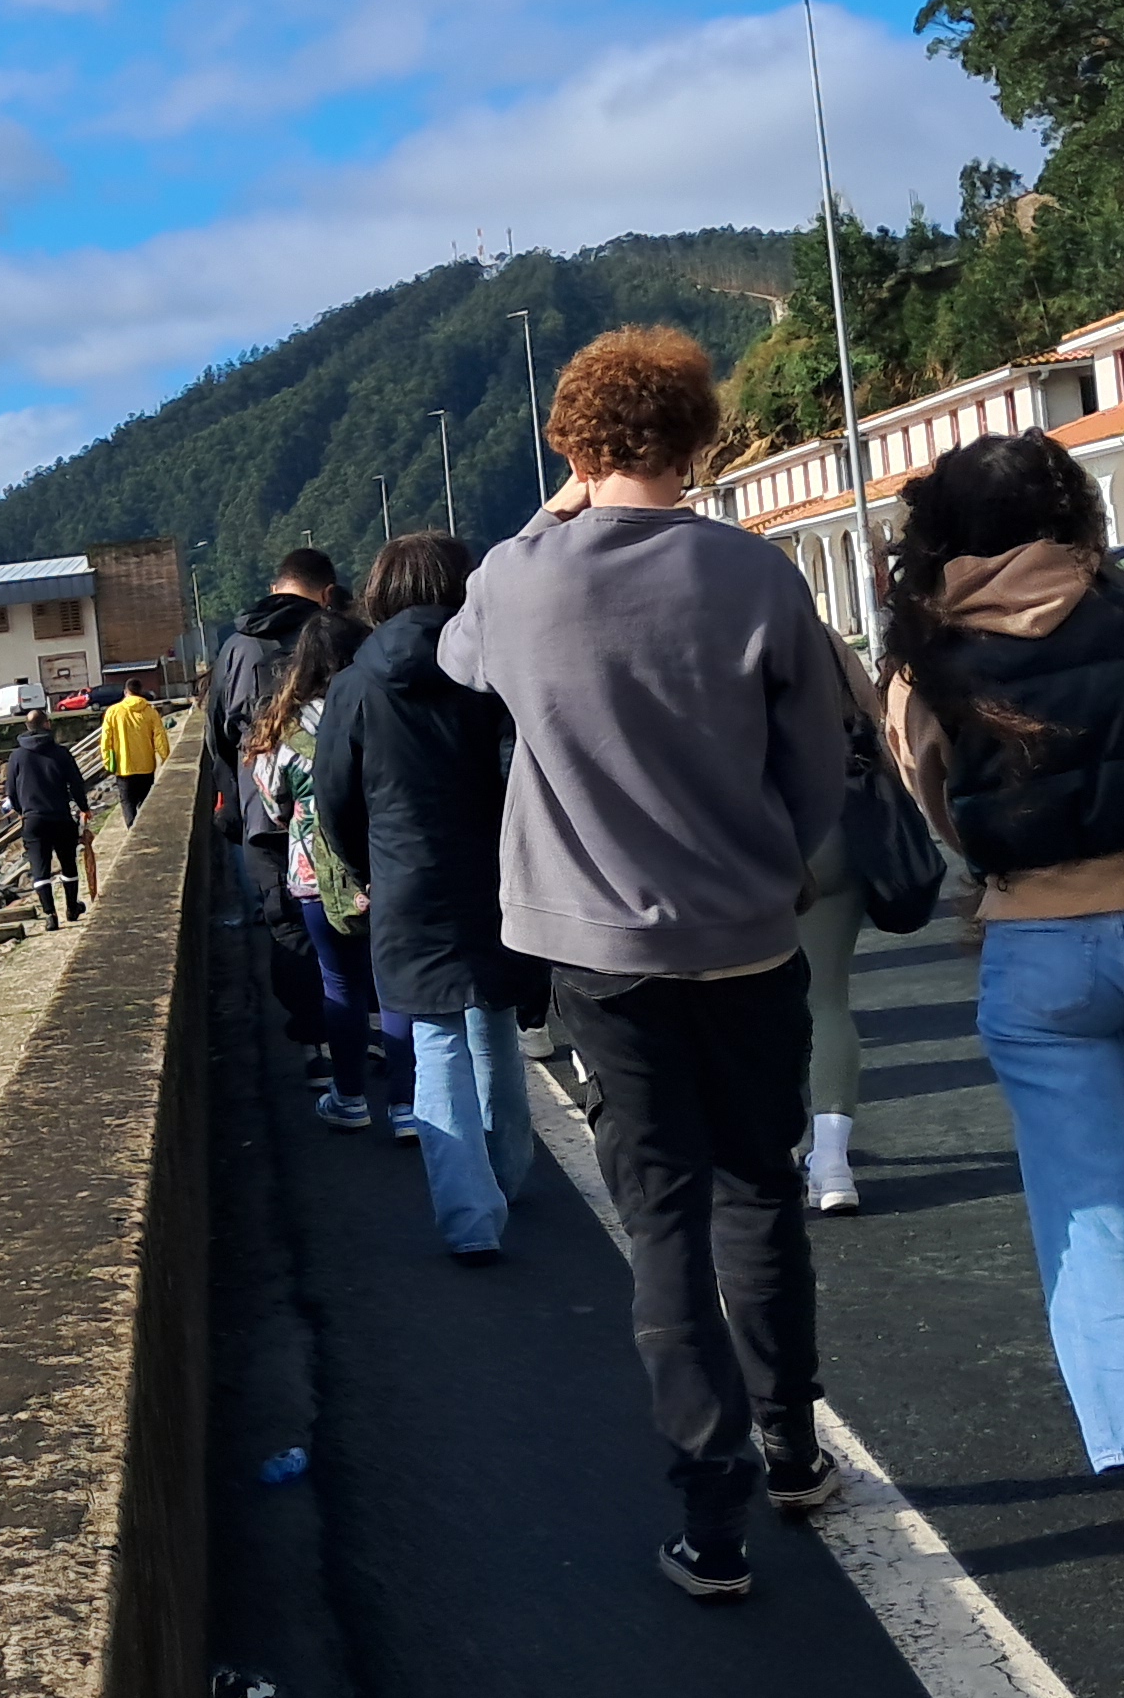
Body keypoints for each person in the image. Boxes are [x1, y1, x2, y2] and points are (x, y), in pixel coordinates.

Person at [439, 328, 851, 1603]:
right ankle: (794, 1448)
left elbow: (455, 662)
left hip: (595, 951)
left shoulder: (516, 580)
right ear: (699, 437)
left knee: (661, 1211)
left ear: (573, 440)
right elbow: (820, 760)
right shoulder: (755, 574)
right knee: (759, 1192)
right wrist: (771, 864)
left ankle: (709, 1512)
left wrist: (550, 512)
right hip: (745, 936)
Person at [878, 432, 1124, 1552]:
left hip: (1038, 942)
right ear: (1071, 514)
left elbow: (934, 802)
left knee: (1092, 1202)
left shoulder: (926, 658)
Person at [317, 530, 539, 1254]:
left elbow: (335, 801)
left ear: (380, 593)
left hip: (406, 879)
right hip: (497, 872)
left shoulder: (355, 683)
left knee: (439, 1039)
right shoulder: (491, 667)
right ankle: (509, 1174)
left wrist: (367, 865)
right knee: (495, 1024)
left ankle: (470, 1218)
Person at [204, 549, 344, 1065]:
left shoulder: (237, 646)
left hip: (262, 809)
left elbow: (217, 735)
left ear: (275, 585)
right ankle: (365, 1027)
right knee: (348, 914)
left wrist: (236, 804)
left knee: (288, 925)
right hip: (333, 801)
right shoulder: (335, 634)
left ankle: (314, 1043)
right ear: (327, 593)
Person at [250, 609, 380, 1125]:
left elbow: (273, 804)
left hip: (313, 875)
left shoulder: (284, 728)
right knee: (388, 984)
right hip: (383, 864)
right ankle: (408, 1103)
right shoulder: (378, 707)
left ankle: (348, 1097)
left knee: (339, 985)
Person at [798, 642, 894, 1215]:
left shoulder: (694, 627)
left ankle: (774, 1139)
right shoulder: (819, 635)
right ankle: (831, 1161)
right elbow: (873, 717)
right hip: (832, 818)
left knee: (750, 1000)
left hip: (742, 832)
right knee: (827, 999)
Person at [3, 716, 92, 929]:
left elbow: (11, 792)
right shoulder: (61, 753)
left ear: (27, 726)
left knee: (39, 868)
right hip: (60, 816)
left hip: (33, 820)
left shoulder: (17, 756)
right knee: (68, 864)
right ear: (47, 725)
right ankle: (72, 907)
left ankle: (50, 915)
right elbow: (76, 784)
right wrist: (83, 807)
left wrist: (20, 810)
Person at [98, 682, 168, 821]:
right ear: (140, 691)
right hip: (146, 766)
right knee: (145, 801)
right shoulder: (150, 711)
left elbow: (106, 741)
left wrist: (108, 763)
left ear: (126, 692)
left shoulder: (113, 711)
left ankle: (132, 830)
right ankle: (145, 828)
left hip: (124, 768)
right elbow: (160, 737)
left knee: (127, 802)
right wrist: (165, 758)